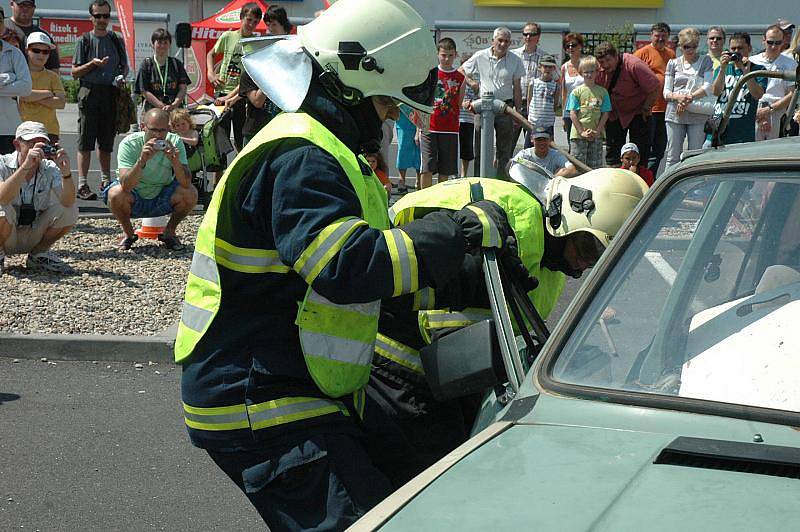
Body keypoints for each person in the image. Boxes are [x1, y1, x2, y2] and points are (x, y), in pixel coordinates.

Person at [174, 1, 519, 528]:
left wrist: (456, 276)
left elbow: (374, 270)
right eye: (386, 106)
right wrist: (458, 230)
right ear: (355, 84)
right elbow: (347, 265)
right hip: (260, 396)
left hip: (289, 381)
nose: (389, 120)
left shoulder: (323, 147)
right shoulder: (302, 156)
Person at [364, 168, 648, 487]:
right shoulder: (517, 234)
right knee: (439, 474)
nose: (585, 263)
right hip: (396, 351)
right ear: (570, 217)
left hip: (442, 361)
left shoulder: (550, 265)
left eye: (598, 258)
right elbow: (448, 337)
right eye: (588, 249)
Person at [103, 108, 195, 251]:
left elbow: (185, 183)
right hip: (135, 194)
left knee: (190, 193)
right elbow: (126, 185)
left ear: (168, 128)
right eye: (153, 130)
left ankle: (169, 233)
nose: (158, 135)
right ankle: (128, 234)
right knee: (115, 193)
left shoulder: (174, 141)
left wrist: (176, 162)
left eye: (162, 131)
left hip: (161, 194)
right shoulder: (130, 143)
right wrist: (141, 161)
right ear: (143, 127)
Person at [0, 121, 76, 274]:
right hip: (7, 234)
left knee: (70, 210)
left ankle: (39, 255)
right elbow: (2, 197)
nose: (37, 149)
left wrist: (66, 173)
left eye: (42, 145)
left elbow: (67, 202)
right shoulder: (2, 162)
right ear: (17, 144)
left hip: (33, 231)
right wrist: (25, 167)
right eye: (31, 143)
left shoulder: (50, 167)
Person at [72, 0, 129, 200]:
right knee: (85, 141)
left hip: (110, 93)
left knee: (106, 141)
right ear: (91, 18)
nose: (102, 20)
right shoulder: (84, 40)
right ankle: (82, 184)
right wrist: (92, 64)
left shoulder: (115, 39)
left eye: (106, 16)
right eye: (98, 16)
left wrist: (121, 77)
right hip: (89, 92)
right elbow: (74, 72)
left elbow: (124, 66)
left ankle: (106, 180)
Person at [460, 26, 524, 178]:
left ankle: (501, 182)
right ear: (493, 41)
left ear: (510, 43)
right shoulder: (480, 55)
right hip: (483, 107)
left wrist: (518, 112)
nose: (503, 44)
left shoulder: (515, 60)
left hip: (505, 108)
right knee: (480, 149)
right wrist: (472, 83)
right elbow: (461, 70)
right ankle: (478, 181)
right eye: (500, 40)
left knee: (504, 151)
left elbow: (517, 87)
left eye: (506, 41)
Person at [595, 41, 660, 168]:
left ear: (616, 56)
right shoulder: (598, 69)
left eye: (608, 60)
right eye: (602, 62)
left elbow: (655, 86)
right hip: (614, 114)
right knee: (613, 154)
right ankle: (615, 181)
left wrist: (647, 107)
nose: (605, 65)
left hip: (638, 112)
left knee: (640, 153)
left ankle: (640, 181)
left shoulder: (633, 64)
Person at [207, 2, 260, 152]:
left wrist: (234, 94)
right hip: (221, 93)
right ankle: (219, 175)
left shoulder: (255, 45)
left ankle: (240, 173)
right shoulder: (228, 36)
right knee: (220, 141)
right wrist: (211, 74)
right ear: (241, 18)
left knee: (240, 139)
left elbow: (249, 76)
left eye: (255, 22)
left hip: (240, 97)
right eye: (249, 20)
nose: (251, 24)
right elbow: (211, 54)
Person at [238, 6, 290, 146]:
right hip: (255, 131)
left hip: (282, 130)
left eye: (274, 24)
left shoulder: (293, 61)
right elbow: (257, 101)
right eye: (268, 25)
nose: (271, 29)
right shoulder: (250, 73)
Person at [663, 27, 714, 168]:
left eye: (694, 46)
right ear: (680, 46)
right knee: (672, 156)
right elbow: (666, 92)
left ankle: (695, 189)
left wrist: (688, 98)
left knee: (695, 155)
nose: (690, 50)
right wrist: (679, 98)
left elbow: (708, 87)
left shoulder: (706, 61)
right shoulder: (673, 63)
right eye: (686, 47)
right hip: (675, 114)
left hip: (697, 113)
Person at [419, 38, 464, 189]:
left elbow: (458, 104)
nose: (446, 59)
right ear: (437, 54)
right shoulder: (430, 74)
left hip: (450, 129)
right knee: (427, 167)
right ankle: (424, 199)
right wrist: (418, 128)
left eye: (450, 55)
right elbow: (422, 101)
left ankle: (439, 201)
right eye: (443, 55)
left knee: (445, 169)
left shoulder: (460, 78)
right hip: (428, 127)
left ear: (455, 55)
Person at [709, 32, 767, 145]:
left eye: (740, 48)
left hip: (742, 133)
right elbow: (716, 92)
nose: (736, 52)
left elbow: (757, 94)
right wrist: (722, 69)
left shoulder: (759, 70)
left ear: (749, 48)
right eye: (733, 49)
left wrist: (745, 70)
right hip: (719, 130)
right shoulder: (723, 69)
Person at [634, 23, 675, 175]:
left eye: (664, 36)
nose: (660, 38)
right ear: (651, 36)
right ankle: (641, 176)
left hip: (665, 109)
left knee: (660, 148)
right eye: (657, 35)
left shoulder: (671, 54)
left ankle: (651, 177)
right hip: (647, 109)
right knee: (645, 147)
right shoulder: (641, 53)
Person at [750, 25, 798, 141]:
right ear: (763, 41)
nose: (773, 46)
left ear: (783, 42)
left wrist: (770, 109)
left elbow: (792, 93)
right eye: (770, 42)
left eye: (778, 43)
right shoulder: (752, 61)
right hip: (753, 111)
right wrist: (759, 114)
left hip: (778, 113)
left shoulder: (790, 64)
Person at [511, 22, 554, 147]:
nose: (528, 37)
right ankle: (501, 167)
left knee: (533, 147)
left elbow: (554, 79)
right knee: (506, 146)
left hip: (535, 109)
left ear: (538, 37)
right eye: (525, 34)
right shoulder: (514, 55)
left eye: (532, 34)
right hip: (515, 105)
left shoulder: (545, 57)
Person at [566, 55, 611, 170]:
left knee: (594, 168)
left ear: (597, 72)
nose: (589, 75)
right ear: (581, 72)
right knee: (577, 167)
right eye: (586, 72)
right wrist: (581, 132)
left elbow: (605, 113)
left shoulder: (603, 92)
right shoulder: (576, 92)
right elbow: (573, 113)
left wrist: (597, 131)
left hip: (596, 135)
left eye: (592, 71)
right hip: (578, 136)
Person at [19, 32, 63, 142]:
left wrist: (33, 96)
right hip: (25, 131)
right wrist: (48, 93)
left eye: (45, 52)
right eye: (36, 51)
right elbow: (24, 96)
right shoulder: (20, 74)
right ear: (26, 50)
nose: (41, 55)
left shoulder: (53, 76)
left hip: (50, 131)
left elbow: (61, 103)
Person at [134, 28, 190, 114]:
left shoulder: (176, 64)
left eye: (165, 43)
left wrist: (174, 105)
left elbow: (183, 88)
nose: (162, 46)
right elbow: (144, 91)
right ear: (153, 44)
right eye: (159, 43)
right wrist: (161, 106)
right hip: (153, 112)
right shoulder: (146, 64)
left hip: (174, 112)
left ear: (169, 44)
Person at [0, 11, 30, 155]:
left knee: (9, 174)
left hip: (9, 128)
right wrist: (9, 77)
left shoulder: (15, 53)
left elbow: (26, 87)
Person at [5, 0, 60, 71]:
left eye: (29, 5)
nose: (25, 9)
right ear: (12, 4)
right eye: (21, 5)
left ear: (34, 8)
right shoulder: (2, 28)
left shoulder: (43, 36)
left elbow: (53, 69)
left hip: (36, 81)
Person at [527, 54, 559, 141]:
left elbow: (555, 104)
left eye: (550, 67)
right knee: (530, 145)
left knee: (548, 147)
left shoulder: (555, 85)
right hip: (534, 122)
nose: (547, 69)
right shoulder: (533, 83)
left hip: (548, 122)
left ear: (554, 68)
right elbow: (529, 101)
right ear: (540, 67)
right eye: (545, 66)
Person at [560, 32, 585, 143]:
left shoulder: (587, 64)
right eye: (567, 46)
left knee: (584, 140)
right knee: (572, 142)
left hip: (585, 108)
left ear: (580, 46)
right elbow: (564, 92)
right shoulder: (564, 67)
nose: (570, 48)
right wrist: (563, 115)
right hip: (569, 110)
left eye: (573, 45)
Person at [395, 108, 420, 192]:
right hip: (403, 121)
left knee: (419, 151)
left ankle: (419, 180)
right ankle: (401, 180)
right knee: (403, 150)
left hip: (419, 116)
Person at [458, 67, 476, 178]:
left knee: (466, 149)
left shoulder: (475, 85)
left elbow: (479, 99)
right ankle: (453, 172)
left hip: (468, 120)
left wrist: (471, 103)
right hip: (456, 119)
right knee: (453, 148)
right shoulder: (457, 81)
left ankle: (464, 174)